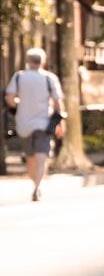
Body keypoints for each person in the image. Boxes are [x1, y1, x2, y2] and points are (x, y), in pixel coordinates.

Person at [5, 48, 65, 202]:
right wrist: (61, 123)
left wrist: (21, 104)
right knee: (40, 158)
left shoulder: (19, 77)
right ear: (43, 62)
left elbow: (10, 99)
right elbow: (58, 103)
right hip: (43, 122)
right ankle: (37, 186)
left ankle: (36, 185)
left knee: (30, 157)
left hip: (24, 123)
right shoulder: (49, 78)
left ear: (28, 61)